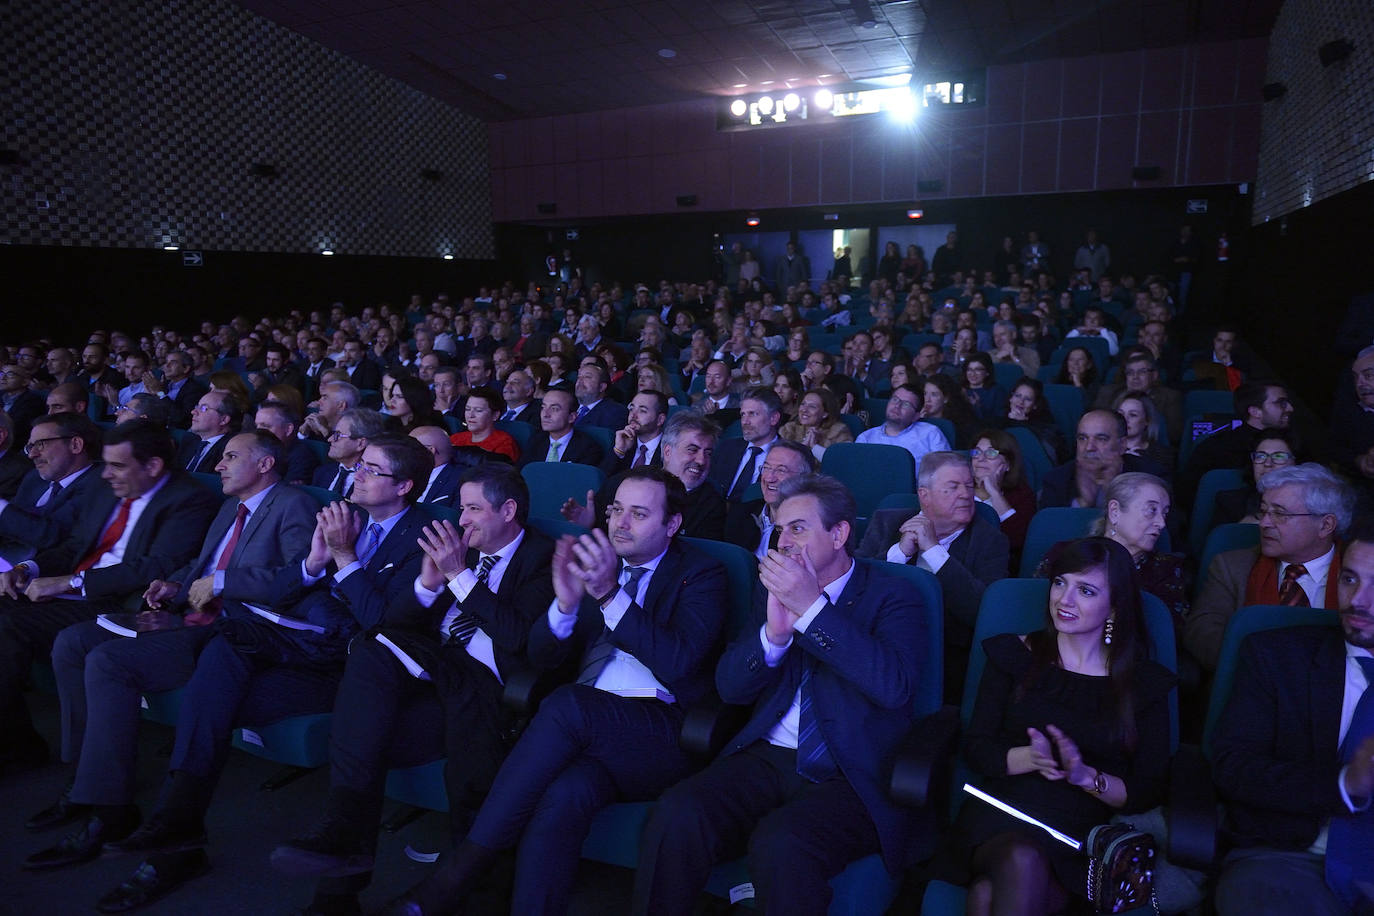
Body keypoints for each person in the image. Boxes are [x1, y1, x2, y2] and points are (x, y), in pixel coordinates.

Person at [92, 437, 432, 910]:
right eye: (360, 465)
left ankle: (178, 831)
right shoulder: (342, 516)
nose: (358, 473)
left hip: (353, 671)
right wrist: (315, 563)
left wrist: (343, 557)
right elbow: (290, 586)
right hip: (299, 646)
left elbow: (386, 625)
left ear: (405, 486)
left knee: (210, 697)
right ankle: (177, 826)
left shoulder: (422, 538)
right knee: (221, 664)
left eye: (373, 469)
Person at [379, 467, 728, 915]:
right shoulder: (593, 561)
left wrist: (607, 594)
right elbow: (541, 658)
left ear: (672, 524)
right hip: (585, 733)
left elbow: (680, 662)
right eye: (616, 509)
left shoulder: (702, 574)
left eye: (638, 514)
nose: (620, 522)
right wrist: (563, 608)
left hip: (660, 730)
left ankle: (455, 876)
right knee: (566, 794)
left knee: (568, 705)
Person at [632, 474, 931, 915]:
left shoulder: (895, 595)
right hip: (767, 756)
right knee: (678, 811)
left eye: (798, 527)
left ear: (839, 533)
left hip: (850, 771)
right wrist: (773, 637)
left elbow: (894, 686)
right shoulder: (770, 588)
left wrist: (811, 610)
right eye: (779, 529)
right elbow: (730, 688)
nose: (783, 540)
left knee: (782, 842)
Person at [22, 430, 317, 866]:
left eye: (231, 456)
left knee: (108, 661)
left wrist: (220, 584)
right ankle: (83, 779)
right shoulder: (228, 507)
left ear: (265, 464)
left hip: (230, 631)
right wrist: (176, 582)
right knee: (73, 641)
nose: (217, 465)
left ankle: (110, 808)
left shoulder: (294, 505)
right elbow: (202, 564)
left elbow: (299, 579)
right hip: (185, 615)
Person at [268, 466, 555, 915]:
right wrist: (428, 584)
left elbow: (518, 637)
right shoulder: (458, 551)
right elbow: (393, 626)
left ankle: (339, 878)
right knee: (368, 659)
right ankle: (340, 863)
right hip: (432, 671)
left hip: (484, 684)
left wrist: (460, 576)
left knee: (366, 727)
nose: (462, 520)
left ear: (509, 511)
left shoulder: (542, 557)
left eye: (474, 509)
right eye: (461, 508)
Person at [951, 537, 1174, 916]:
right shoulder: (1013, 655)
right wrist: (1029, 758)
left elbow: (1145, 790)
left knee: (988, 898)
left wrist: (1087, 778)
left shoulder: (1145, 685)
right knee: (1021, 861)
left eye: (1085, 590)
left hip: (1079, 837)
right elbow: (977, 747)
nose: (1064, 600)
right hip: (1002, 816)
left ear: (1115, 607)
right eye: (1060, 582)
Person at [0, 420, 220, 773]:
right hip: (71, 590)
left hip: (116, 602)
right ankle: (16, 741)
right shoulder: (106, 490)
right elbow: (74, 546)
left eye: (117, 465)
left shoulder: (188, 499)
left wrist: (70, 583)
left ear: (152, 466)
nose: (105, 475)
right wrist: (29, 569)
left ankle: (20, 749)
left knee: (6, 625)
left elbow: (156, 565)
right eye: (106, 464)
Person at [1209, 521, 1374, 915]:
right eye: (1349, 579)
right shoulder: (1275, 657)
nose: (1359, 600)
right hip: (1291, 860)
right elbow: (1234, 767)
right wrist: (1343, 784)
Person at [857, 451, 1009, 701]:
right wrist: (900, 553)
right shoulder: (887, 522)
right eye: (953, 487)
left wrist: (935, 552)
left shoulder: (990, 541)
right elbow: (855, 583)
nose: (965, 494)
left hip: (944, 659)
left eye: (969, 486)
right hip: (876, 649)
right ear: (924, 496)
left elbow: (983, 611)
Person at [1186, 463, 1354, 671]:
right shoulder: (1232, 567)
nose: (1264, 523)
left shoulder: (1359, 574)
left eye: (1279, 514)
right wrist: (1268, 668)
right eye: (1264, 511)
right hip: (1252, 685)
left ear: (1325, 525)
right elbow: (1201, 632)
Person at [0, 413, 105, 557]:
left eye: (40, 444)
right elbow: (12, 523)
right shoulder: (34, 478)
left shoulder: (99, 485)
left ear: (75, 445)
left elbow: (52, 537)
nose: (32, 455)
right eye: (30, 447)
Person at [1089, 472, 1188, 623]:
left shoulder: (1166, 570)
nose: (1161, 523)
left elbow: (1164, 633)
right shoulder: (1067, 555)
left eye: (1165, 513)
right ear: (1115, 511)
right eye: (1151, 510)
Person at [1178, 381, 1293, 510]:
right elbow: (1187, 498)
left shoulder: (1295, 445)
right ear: (1255, 412)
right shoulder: (1215, 449)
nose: (1290, 408)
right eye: (1281, 403)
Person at [1039, 410, 1168, 510]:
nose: (1089, 447)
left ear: (1122, 445)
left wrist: (1113, 494)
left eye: (1101, 439)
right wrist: (1083, 506)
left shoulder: (1151, 478)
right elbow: (1049, 536)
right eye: (1082, 438)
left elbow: (1163, 533)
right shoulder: (1056, 480)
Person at [724, 439, 818, 558]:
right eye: (766, 468)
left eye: (781, 470)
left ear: (804, 479)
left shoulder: (807, 530)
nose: (769, 478)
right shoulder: (740, 514)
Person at [968, 429, 1037, 556]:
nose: (981, 459)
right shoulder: (960, 489)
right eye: (977, 452)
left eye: (991, 453)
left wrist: (994, 492)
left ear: (1007, 464)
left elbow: (1018, 540)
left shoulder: (1022, 495)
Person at [708, 388, 783, 503]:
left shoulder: (787, 457)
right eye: (743, 414)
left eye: (752, 414)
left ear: (773, 418)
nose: (745, 421)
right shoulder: (725, 448)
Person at [1213, 431, 1303, 526]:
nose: (1268, 463)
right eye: (1261, 456)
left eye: (1279, 456)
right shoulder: (1229, 503)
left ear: (1295, 463)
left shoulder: (1312, 502)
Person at [1093, 351, 1183, 445]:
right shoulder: (1109, 394)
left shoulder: (1170, 397)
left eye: (1142, 372)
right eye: (1130, 373)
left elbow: (1174, 434)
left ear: (1154, 375)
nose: (1135, 377)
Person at [855, 383, 951, 465]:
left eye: (906, 404)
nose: (897, 405)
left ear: (916, 416)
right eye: (895, 399)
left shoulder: (930, 433)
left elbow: (945, 470)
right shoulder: (866, 438)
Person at [311, 408, 387, 498]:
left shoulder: (371, 484)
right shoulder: (321, 472)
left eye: (338, 435)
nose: (330, 439)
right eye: (333, 434)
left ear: (361, 443)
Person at [519, 387, 604, 468]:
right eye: (543, 407)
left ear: (572, 417)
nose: (545, 414)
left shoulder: (587, 449)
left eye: (554, 409)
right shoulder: (535, 440)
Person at [599, 390, 667, 475]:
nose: (633, 415)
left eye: (642, 410)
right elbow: (601, 479)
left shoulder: (669, 451)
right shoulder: (623, 440)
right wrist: (619, 451)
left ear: (660, 420)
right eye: (631, 409)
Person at [254, 400, 321, 486]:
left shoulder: (301, 458)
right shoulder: (254, 449)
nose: (257, 432)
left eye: (266, 426)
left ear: (288, 429)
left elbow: (285, 493)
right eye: (257, 426)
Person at [177, 389, 243, 473]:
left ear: (223, 419)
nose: (193, 412)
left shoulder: (230, 450)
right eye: (197, 407)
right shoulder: (189, 439)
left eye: (204, 408)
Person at [448, 386, 519, 463]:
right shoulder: (456, 439)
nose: (471, 415)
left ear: (495, 415)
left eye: (478, 410)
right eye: (467, 409)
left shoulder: (504, 443)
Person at [779, 388, 853, 461]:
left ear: (825, 413)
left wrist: (815, 447)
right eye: (803, 404)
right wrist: (803, 447)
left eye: (812, 406)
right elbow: (778, 460)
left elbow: (841, 464)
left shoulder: (838, 433)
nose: (804, 409)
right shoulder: (789, 429)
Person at [1113, 392, 1174, 469]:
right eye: (1120, 414)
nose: (1125, 419)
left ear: (1147, 420)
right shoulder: (1107, 448)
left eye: (1133, 415)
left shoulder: (1162, 455)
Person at [408, 426, 465, 505]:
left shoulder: (462, 479)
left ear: (430, 451)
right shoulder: (405, 473)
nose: (405, 453)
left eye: (410, 448)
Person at [918, 374, 978, 449]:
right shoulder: (916, 420)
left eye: (934, 395)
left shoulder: (958, 425)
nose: (927, 400)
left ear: (946, 399)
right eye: (925, 393)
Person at [572, 362, 629, 429]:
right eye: (579, 377)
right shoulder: (568, 406)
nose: (580, 381)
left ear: (602, 387)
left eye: (587, 377)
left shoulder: (615, 412)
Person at [962, 352, 1007, 420]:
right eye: (969, 369)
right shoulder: (960, 389)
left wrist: (978, 407)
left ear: (987, 372)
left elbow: (999, 421)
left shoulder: (997, 391)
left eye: (978, 370)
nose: (973, 374)